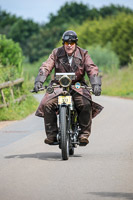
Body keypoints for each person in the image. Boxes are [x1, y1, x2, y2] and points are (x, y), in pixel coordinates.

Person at [34, 30, 103, 145]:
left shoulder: (83, 53)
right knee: (47, 104)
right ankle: (52, 135)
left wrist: (96, 84)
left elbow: (91, 68)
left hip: (78, 86)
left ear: (75, 43)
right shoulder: (56, 53)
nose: (69, 45)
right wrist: (39, 81)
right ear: (63, 43)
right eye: (66, 43)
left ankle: (83, 134)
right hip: (58, 86)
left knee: (86, 104)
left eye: (71, 43)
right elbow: (46, 66)